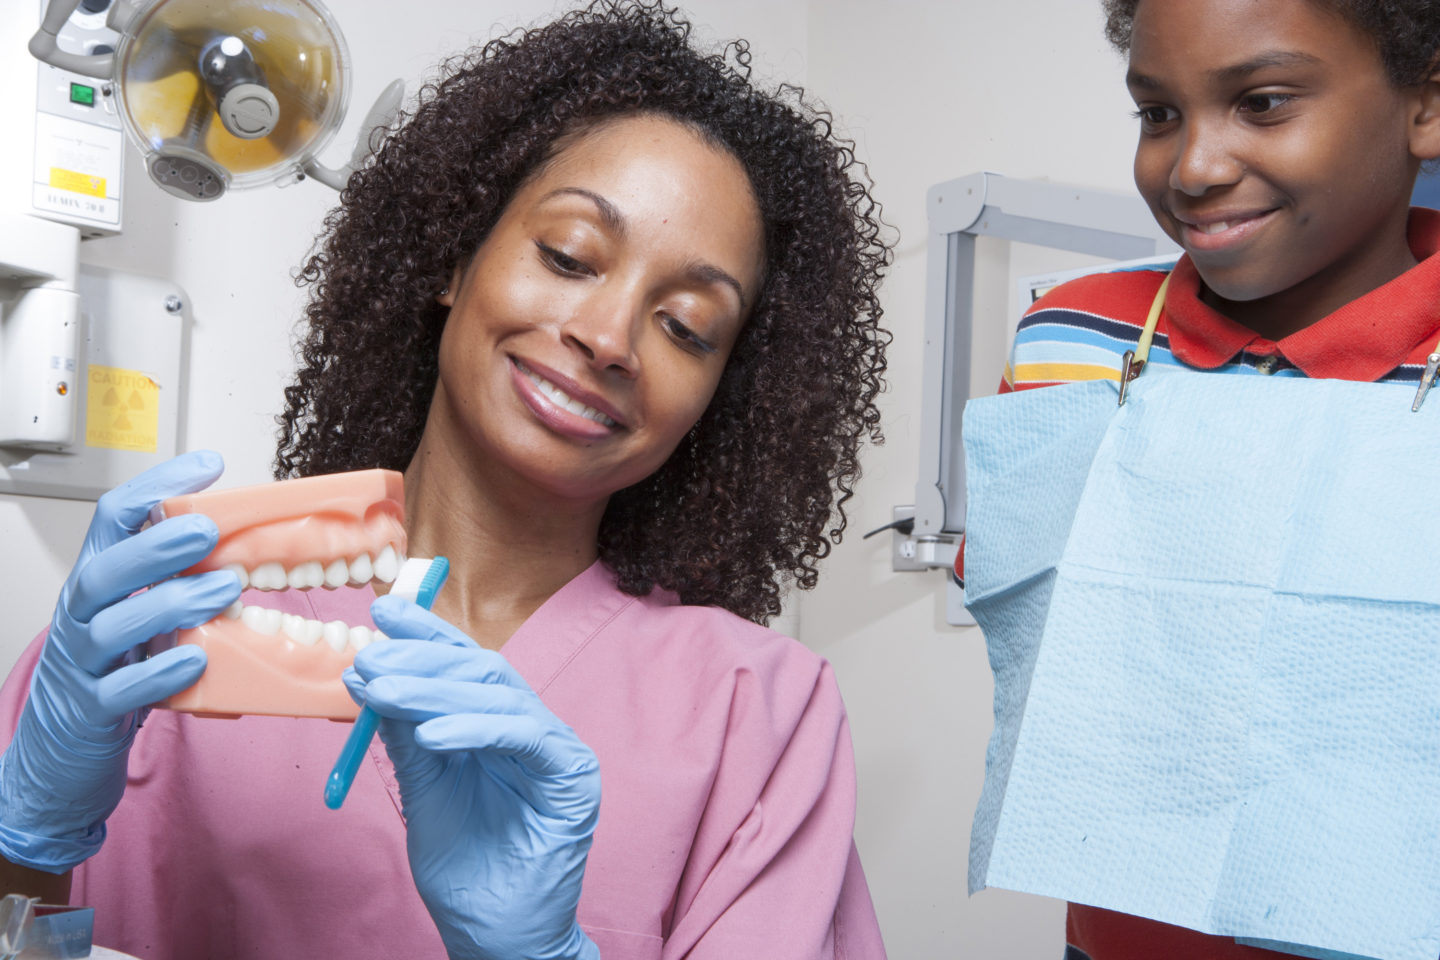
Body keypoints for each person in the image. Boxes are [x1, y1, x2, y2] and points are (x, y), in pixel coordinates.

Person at [0, 3, 893, 957]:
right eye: (567, 257)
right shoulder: (164, 611)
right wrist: (23, 839)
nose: (607, 338)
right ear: (455, 257)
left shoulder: (758, 713)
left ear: (722, 392)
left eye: (685, 327)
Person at [961, 1, 1440, 958]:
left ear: (1425, 106)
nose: (1193, 168)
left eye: (1262, 103)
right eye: (1158, 114)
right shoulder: (1071, 341)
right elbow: (1024, 623)